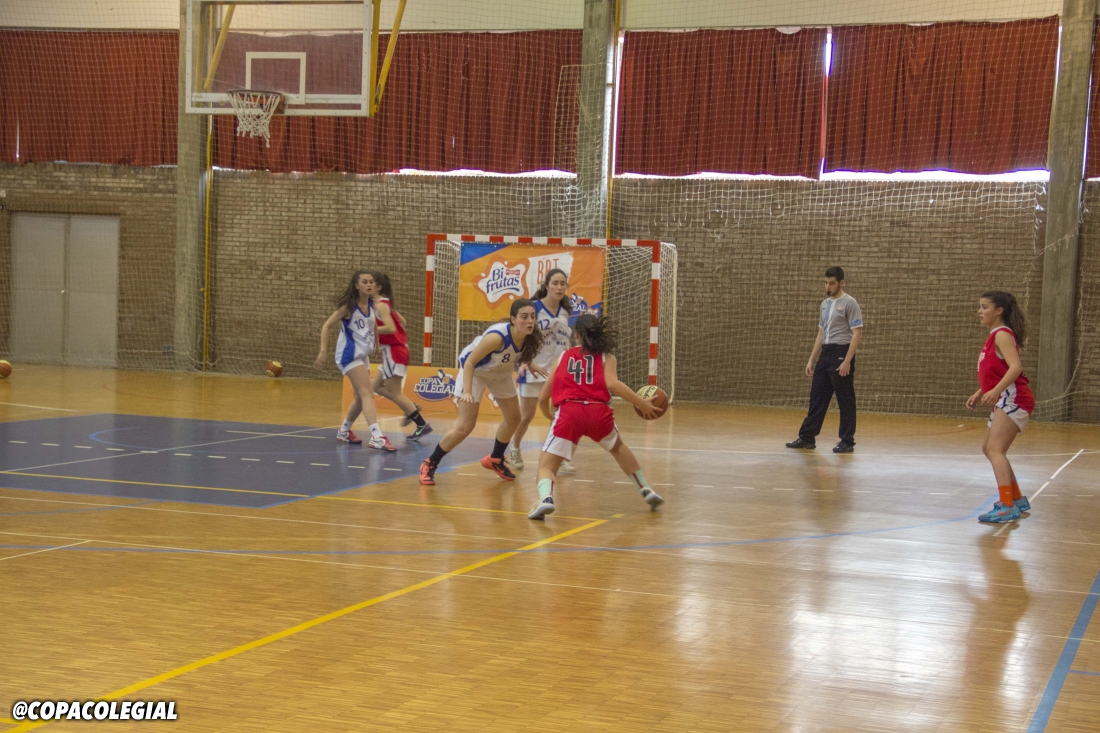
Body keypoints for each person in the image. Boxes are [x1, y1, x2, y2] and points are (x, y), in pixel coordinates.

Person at [527, 314, 664, 520]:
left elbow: (543, 396)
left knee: (546, 466)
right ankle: (645, 489)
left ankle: (546, 498)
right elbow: (613, 384)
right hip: (598, 412)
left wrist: (549, 415)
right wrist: (640, 402)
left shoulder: (563, 357)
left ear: (577, 335)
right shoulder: (607, 357)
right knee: (618, 448)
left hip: (569, 412)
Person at [419, 299, 546, 485]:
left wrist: (530, 364)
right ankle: (430, 463)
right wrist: (467, 392)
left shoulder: (530, 336)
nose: (530, 321)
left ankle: (495, 459)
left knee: (514, 418)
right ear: (513, 319)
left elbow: (517, 353)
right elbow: (470, 362)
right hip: (475, 372)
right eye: (524, 317)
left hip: (499, 374)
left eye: (533, 317)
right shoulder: (497, 337)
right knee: (464, 427)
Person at [968, 291, 1034, 523]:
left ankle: (1006, 506)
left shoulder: (1003, 334)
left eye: (984, 307)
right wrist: (981, 391)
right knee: (989, 449)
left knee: (996, 450)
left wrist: (995, 391)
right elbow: (996, 371)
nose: (980, 311)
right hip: (1004, 397)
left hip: (1013, 397)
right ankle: (1016, 498)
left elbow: (1015, 367)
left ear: (999, 311)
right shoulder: (994, 335)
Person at [314, 270, 397, 451]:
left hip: (362, 355)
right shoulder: (348, 307)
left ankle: (344, 431)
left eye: (371, 282)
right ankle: (376, 437)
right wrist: (323, 351)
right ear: (357, 285)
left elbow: (374, 326)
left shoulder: (373, 305)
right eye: (365, 282)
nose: (369, 285)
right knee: (368, 393)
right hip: (348, 355)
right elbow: (326, 326)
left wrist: (376, 344)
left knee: (360, 398)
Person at [786, 266, 863, 453]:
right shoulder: (824, 304)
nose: (828, 287)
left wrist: (846, 361)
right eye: (826, 283)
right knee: (817, 397)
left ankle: (847, 441)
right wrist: (811, 359)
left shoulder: (850, 303)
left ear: (841, 283)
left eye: (832, 283)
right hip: (825, 354)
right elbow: (821, 334)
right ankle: (807, 437)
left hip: (841, 352)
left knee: (845, 399)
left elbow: (857, 333)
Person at [509, 268, 575, 472]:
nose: (559, 287)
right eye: (555, 283)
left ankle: (557, 455)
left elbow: (565, 340)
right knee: (526, 417)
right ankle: (514, 448)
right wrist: (524, 362)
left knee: (559, 417)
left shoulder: (565, 311)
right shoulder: (534, 308)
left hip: (557, 371)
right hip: (534, 369)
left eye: (563, 283)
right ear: (547, 286)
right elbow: (521, 336)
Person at [367, 271, 432, 441]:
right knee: (375, 386)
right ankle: (411, 408)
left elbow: (392, 328)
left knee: (395, 393)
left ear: (379, 287)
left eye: (371, 282)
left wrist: (370, 330)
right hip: (395, 350)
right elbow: (402, 322)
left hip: (394, 351)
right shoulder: (384, 304)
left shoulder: (381, 306)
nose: (368, 285)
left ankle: (421, 424)